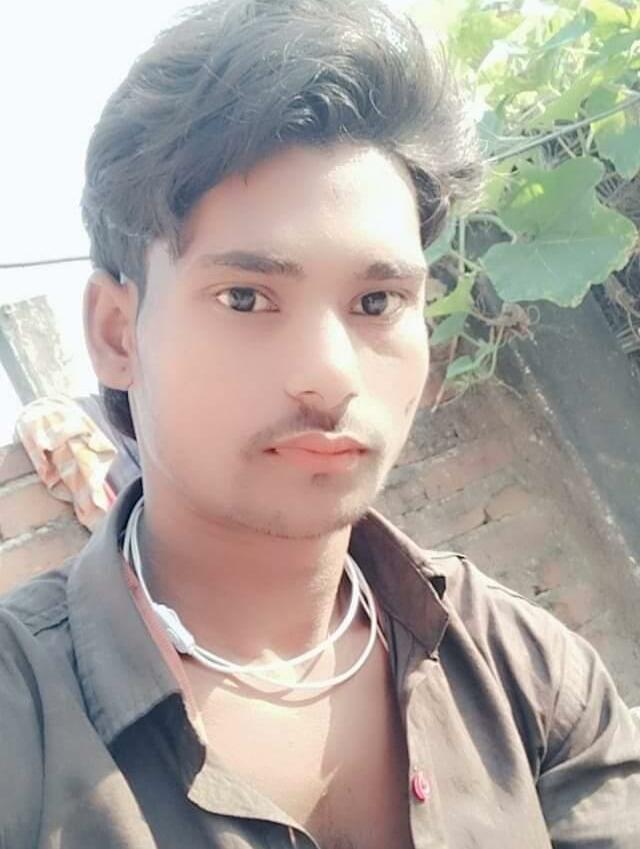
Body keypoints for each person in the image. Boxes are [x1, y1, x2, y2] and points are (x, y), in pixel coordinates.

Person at [0, 0, 638, 846]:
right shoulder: (24, 727)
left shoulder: (529, 675)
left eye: (377, 302)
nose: (332, 373)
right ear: (118, 334)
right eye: (245, 297)